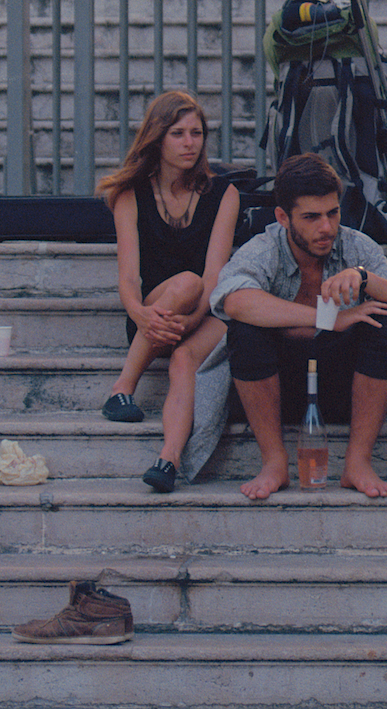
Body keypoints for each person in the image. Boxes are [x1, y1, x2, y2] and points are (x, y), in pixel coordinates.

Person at [210, 153, 387, 500]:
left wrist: (365, 278)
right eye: (311, 217)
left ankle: (358, 461)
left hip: (343, 386)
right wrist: (328, 319)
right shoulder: (264, 249)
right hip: (279, 388)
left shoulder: (355, 245)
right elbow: (234, 301)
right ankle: (274, 462)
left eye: (332, 213)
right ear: (283, 217)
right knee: (244, 329)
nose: (326, 227)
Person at [96, 90, 240, 493]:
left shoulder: (223, 193)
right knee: (184, 283)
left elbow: (215, 276)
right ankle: (121, 389)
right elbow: (129, 278)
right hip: (152, 318)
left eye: (197, 133)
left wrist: (191, 322)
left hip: (205, 314)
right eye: (178, 133)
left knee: (184, 358)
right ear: (157, 138)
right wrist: (141, 315)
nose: (189, 143)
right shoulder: (130, 193)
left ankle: (169, 459)